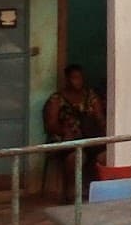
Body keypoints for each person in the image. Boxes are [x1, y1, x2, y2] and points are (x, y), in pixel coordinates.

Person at [43, 64, 105, 202]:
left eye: (80, 78)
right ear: (67, 79)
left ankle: (99, 192)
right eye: (74, 78)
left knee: (105, 155)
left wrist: (103, 131)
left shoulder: (90, 96)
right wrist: (65, 131)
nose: (78, 81)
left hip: (89, 139)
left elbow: (100, 118)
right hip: (66, 141)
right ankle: (71, 193)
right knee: (76, 157)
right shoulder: (56, 99)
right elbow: (50, 124)